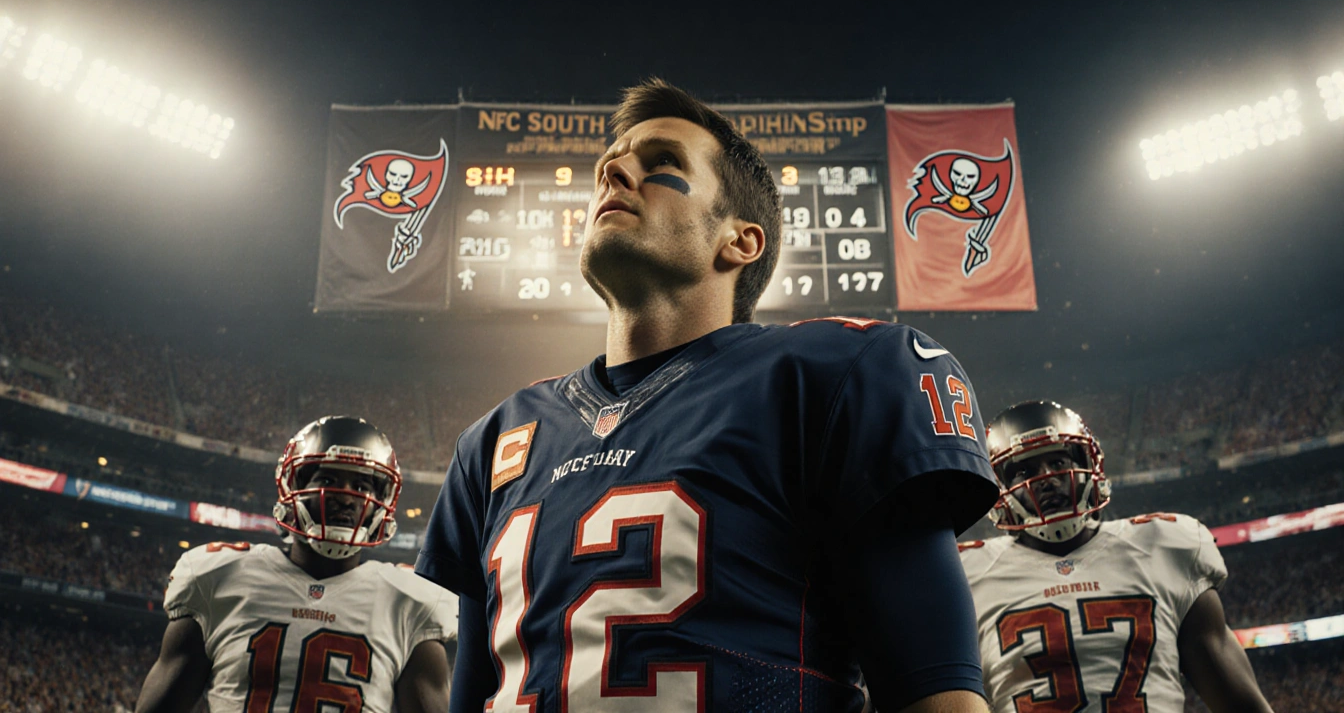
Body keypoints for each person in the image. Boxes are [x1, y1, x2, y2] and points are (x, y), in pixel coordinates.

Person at [416, 79, 1000, 712]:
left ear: (740, 240)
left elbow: (937, 695)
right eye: (610, 166)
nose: (615, 172)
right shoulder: (493, 440)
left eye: (662, 163)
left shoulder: (829, 377)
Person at [959, 400, 1273, 712]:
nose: (1047, 479)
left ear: (1089, 465)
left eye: (1058, 463)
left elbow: (1243, 704)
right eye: (1024, 470)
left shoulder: (1164, 545)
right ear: (999, 487)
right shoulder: (966, 575)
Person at [136, 416, 456, 713]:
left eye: (361, 487)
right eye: (328, 478)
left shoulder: (408, 601)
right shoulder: (218, 577)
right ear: (293, 487)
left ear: (383, 501)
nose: (346, 497)